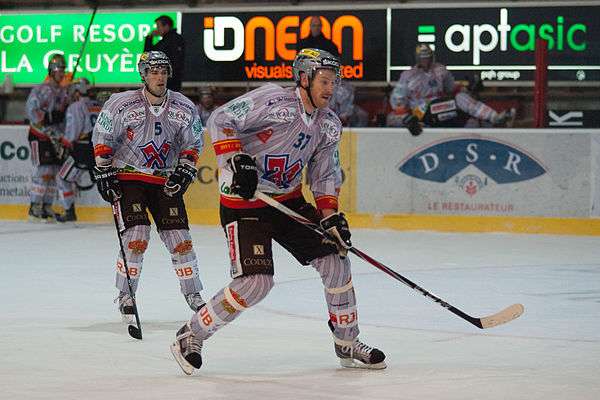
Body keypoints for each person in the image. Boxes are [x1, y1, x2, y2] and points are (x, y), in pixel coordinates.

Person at [170, 48, 386, 375]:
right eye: (324, 81)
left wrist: (329, 215)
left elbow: (324, 174)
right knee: (256, 283)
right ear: (303, 78)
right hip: (245, 205)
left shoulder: (328, 124)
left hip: (287, 201)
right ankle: (191, 335)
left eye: (334, 82)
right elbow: (221, 119)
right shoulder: (273, 100)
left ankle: (347, 341)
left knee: (336, 260)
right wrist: (236, 160)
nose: (331, 89)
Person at [91, 51, 206, 328]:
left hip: (163, 179)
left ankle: (193, 293)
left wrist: (186, 167)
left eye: (163, 71)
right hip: (128, 176)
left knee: (180, 238)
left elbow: (194, 143)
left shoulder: (185, 106)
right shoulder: (121, 103)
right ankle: (125, 294)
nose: (160, 77)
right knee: (137, 236)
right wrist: (104, 170)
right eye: (153, 71)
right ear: (143, 74)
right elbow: (103, 137)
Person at [388, 44, 514, 135]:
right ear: (417, 59)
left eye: (428, 57)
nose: (426, 61)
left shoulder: (440, 70)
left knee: (469, 118)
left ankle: (497, 121)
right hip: (421, 113)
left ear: (432, 57)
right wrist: (407, 118)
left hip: (442, 108)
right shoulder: (408, 75)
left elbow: (453, 89)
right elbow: (397, 101)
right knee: (460, 102)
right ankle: (495, 119)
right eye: (422, 58)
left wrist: (469, 88)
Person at [25, 53, 69, 222]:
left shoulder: (63, 92)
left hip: (54, 137)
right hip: (39, 135)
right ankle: (34, 207)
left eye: (63, 70)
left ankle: (47, 206)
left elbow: (65, 113)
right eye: (59, 69)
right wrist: (46, 119)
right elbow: (31, 110)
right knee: (43, 171)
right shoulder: (40, 89)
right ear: (51, 70)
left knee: (53, 173)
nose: (62, 73)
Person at [55, 78, 101, 222]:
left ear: (78, 91)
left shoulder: (76, 107)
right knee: (106, 181)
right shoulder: (100, 105)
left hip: (83, 149)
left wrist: (64, 141)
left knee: (62, 178)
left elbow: (72, 133)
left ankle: (69, 212)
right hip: (100, 149)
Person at [144, 15, 185, 91]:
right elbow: (147, 56)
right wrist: (149, 38)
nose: (157, 29)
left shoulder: (173, 40)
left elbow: (176, 62)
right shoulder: (165, 41)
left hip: (170, 82)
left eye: (158, 26)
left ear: (166, 26)